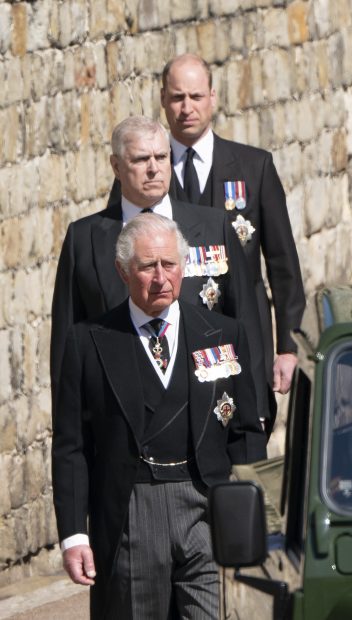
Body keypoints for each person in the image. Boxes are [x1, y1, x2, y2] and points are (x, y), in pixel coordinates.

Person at [52, 214, 267, 618]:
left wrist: (249, 514)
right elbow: (71, 446)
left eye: (169, 265)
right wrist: (74, 535)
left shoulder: (223, 334)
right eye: (147, 267)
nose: (160, 278)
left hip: (205, 504)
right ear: (122, 271)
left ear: (184, 266)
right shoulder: (89, 342)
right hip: (134, 510)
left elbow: (245, 433)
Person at [52, 116, 268, 424]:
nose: (153, 168)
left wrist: (255, 410)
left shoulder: (213, 227)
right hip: (119, 418)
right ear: (116, 166)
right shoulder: (84, 239)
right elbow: (66, 343)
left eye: (161, 157)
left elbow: (245, 321)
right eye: (141, 159)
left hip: (205, 410)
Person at [153, 53, 304, 423]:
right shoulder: (146, 171)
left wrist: (287, 347)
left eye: (195, 96)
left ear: (213, 97)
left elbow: (283, 264)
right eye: (177, 98)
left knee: (247, 444)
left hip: (244, 335)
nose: (186, 107)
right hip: (172, 338)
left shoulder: (254, 168)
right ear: (163, 100)